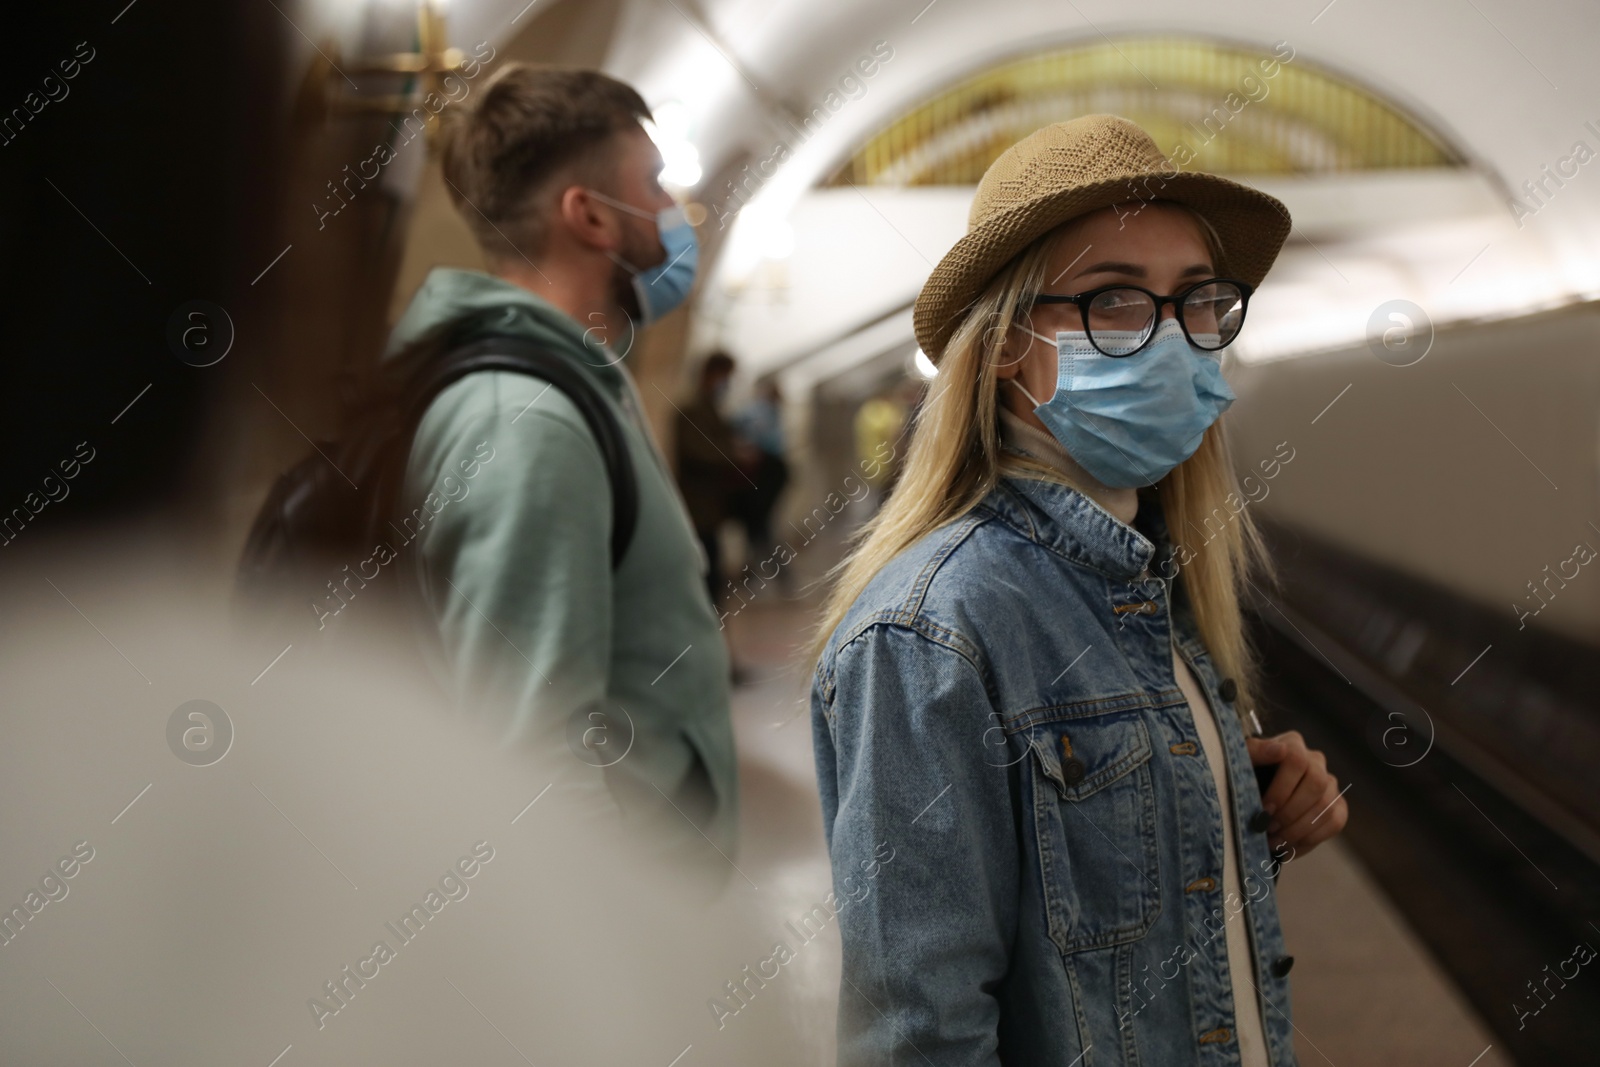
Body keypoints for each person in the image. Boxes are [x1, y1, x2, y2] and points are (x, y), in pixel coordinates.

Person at [810, 115, 1349, 1066]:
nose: (1175, 339)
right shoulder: (930, 632)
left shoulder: (1149, 575)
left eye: (1195, 300)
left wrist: (1229, 807)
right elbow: (920, 1037)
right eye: (1115, 302)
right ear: (1011, 346)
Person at [382, 64, 737, 871]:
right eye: (652, 184)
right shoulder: (526, 423)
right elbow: (533, 761)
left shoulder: (571, 387)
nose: (672, 213)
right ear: (589, 216)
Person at [674, 351, 743, 607]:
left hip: (711, 508)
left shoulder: (713, 411)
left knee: (714, 575)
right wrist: (734, 454)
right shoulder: (692, 412)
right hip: (697, 509)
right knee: (705, 574)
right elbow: (702, 452)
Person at [731, 379, 791, 571]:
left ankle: (767, 568)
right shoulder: (764, 411)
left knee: (761, 522)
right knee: (761, 522)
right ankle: (771, 569)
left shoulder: (762, 411)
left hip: (768, 468)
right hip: (769, 468)